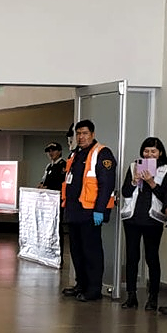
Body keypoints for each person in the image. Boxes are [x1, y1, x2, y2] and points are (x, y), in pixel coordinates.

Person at [61, 120, 116, 302]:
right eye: (78, 134)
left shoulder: (101, 153)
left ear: (92, 134)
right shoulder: (75, 154)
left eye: (84, 133)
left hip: (90, 212)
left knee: (91, 251)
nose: (81, 137)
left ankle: (93, 289)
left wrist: (100, 210)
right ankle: (81, 284)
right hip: (74, 210)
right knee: (77, 250)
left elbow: (106, 185)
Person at [120, 137, 167, 310]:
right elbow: (125, 192)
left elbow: (166, 196)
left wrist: (151, 182)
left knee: (151, 258)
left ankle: (153, 297)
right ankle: (131, 296)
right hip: (132, 218)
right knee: (132, 257)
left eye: (153, 151)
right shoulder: (134, 166)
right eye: (146, 151)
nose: (149, 155)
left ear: (160, 153)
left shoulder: (165, 170)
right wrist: (134, 181)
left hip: (153, 219)